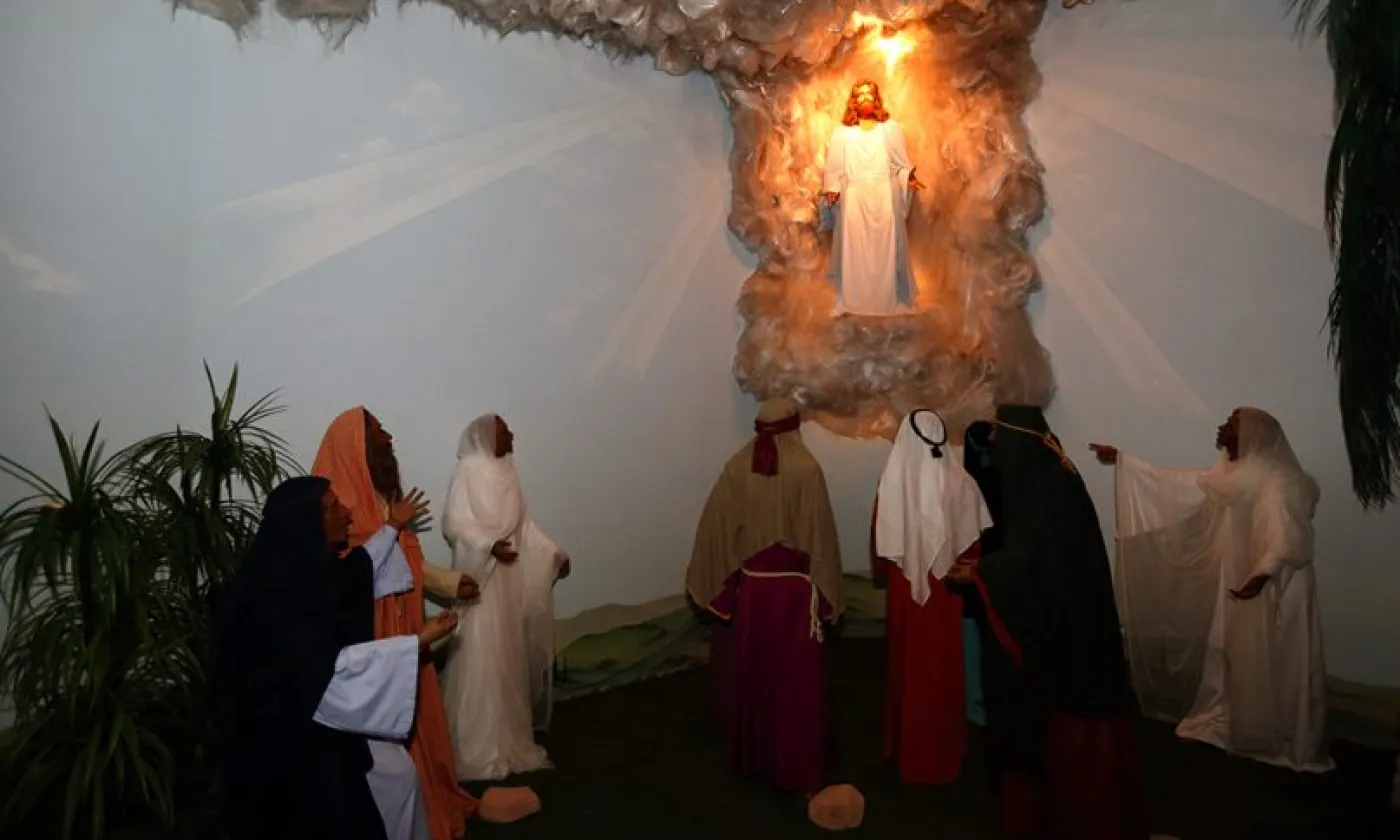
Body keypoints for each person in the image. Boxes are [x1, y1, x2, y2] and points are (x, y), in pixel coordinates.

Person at [217, 476, 459, 840]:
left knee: (398, 775)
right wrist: (417, 642)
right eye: (334, 508)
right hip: (293, 744)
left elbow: (358, 570)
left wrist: (392, 526)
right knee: (387, 782)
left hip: (320, 716)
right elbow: (331, 669)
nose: (347, 513)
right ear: (307, 524)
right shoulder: (278, 602)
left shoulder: (306, 570)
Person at [1090, 406, 1331, 772]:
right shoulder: (1234, 478)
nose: (1221, 428)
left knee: (1281, 657)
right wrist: (1125, 461)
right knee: (1232, 649)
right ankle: (1241, 722)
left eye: (1231, 424)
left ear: (1253, 436)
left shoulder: (1280, 481)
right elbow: (1181, 484)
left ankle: (1286, 737)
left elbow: (1287, 536)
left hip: (1279, 587)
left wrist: (1263, 573)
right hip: (1244, 581)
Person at [954, 405, 1149, 840]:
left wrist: (982, 572)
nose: (992, 444)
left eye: (997, 434)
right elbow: (1044, 553)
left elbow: (1033, 562)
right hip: (1078, 618)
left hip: (1066, 638)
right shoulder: (1050, 470)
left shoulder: (1039, 485)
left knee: (1061, 742)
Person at [312, 408, 480, 840]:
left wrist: (451, 583)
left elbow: (407, 560)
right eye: (375, 432)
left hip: (407, 627)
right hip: (373, 637)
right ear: (353, 446)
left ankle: (432, 796)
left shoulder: (385, 498)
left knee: (418, 715)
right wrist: (390, 527)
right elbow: (352, 576)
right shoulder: (336, 510)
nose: (386, 437)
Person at [687, 397, 843, 795]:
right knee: (794, 680)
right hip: (795, 596)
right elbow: (820, 537)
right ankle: (793, 758)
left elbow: (716, 528)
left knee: (755, 672)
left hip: (753, 591)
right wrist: (830, 595)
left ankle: (754, 754)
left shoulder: (737, 465)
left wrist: (718, 579)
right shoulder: (807, 468)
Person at [440, 413, 571, 781]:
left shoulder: (508, 472)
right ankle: (478, 746)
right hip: (481, 580)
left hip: (507, 582)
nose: (511, 435)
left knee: (506, 653)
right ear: (485, 436)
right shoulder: (467, 470)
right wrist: (488, 545)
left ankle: (509, 737)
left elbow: (524, 526)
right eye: (504, 431)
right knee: (481, 652)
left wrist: (554, 553)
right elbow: (454, 523)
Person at [871, 409, 992, 785]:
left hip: (906, 590)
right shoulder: (961, 481)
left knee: (908, 664)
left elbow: (882, 545)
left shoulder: (893, 481)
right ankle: (943, 750)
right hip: (946, 588)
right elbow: (974, 544)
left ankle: (906, 747)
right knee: (942, 667)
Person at [821, 79, 924, 316]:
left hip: (883, 196)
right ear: (853, 101)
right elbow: (834, 168)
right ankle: (852, 301)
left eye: (869, 93)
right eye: (860, 94)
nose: (865, 97)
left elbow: (900, 163)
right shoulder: (842, 133)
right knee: (855, 251)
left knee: (884, 249)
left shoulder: (890, 129)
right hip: (854, 197)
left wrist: (908, 177)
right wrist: (833, 188)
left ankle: (885, 300)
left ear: (876, 99)